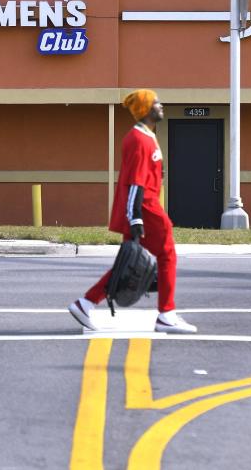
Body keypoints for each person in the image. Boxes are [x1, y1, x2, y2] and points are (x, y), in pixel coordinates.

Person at [68, 89, 197, 334]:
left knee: (129, 264)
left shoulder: (145, 136)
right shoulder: (139, 140)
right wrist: (135, 217)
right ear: (146, 109)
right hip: (146, 208)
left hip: (145, 207)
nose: (162, 106)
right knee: (167, 255)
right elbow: (135, 182)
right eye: (157, 103)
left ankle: (85, 303)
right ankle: (166, 314)